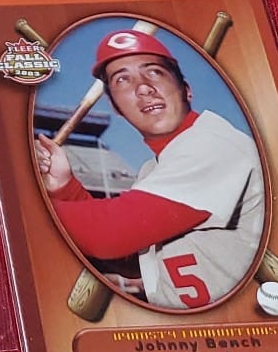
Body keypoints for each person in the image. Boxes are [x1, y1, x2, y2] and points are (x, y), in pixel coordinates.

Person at [34, 29, 265, 309]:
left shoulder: (214, 142)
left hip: (240, 323)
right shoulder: (151, 170)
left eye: (155, 72)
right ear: (117, 108)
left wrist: (26, 198)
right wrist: (64, 188)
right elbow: (132, 262)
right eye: (122, 79)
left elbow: (108, 235)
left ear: (187, 90)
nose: (143, 87)